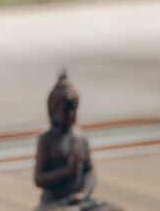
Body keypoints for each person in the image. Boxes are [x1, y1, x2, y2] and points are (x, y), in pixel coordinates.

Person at [33, 72, 121, 211]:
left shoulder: (79, 137)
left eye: (74, 110)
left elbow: (89, 171)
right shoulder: (46, 139)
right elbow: (39, 179)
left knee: (113, 209)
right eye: (66, 110)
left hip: (78, 200)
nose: (71, 115)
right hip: (54, 202)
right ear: (53, 110)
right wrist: (67, 171)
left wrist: (84, 193)